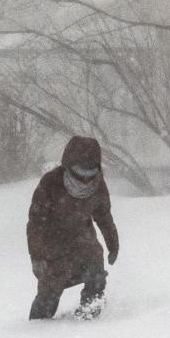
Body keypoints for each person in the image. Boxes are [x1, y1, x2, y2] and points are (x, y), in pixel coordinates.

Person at [26, 135, 119, 320]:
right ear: (68, 166)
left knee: (96, 275)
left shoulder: (98, 184)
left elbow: (103, 216)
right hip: (53, 246)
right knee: (49, 293)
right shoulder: (50, 183)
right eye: (80, 171)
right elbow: (36, 223)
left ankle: (90, 313)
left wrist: (112, 243)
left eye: (90, 172)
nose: (85, 178)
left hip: (83, 241)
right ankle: (36, 328)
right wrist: (37, 256)